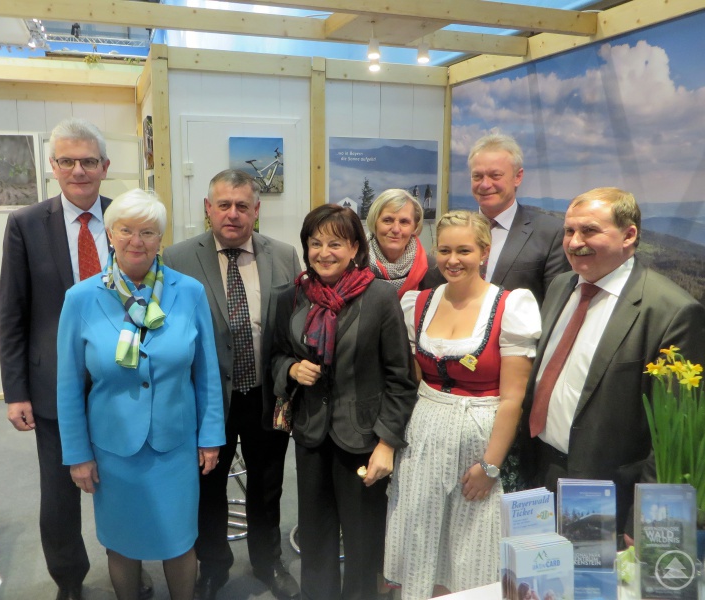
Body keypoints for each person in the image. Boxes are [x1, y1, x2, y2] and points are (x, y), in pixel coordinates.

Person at [0, 118, 157, 600]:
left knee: (126, 484)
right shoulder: (26, 224)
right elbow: (13, 310)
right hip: (53, 386)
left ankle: (131, 566)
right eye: (67, 161)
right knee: (60, 494)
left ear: (105, 166)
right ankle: (69, 580)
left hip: (118, 381)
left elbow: (150, 294)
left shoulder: (126, 220)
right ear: (53, 167)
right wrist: (16, 390)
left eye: (89, 161)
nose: (79, 170)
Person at [57, 189, 225, 600]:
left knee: (179, 540)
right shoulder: (80, 299)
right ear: (110, 235)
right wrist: (78, 455)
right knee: (123, 543)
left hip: (175, 443)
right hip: (114, 449)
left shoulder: (189, 292)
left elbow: (206, 373)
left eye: (148, 232)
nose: (137, 241)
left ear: (160, 239)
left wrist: (211, 437)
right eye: (126, 230)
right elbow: (67, 385)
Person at [519, 187, 705, 537]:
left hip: (608, 493)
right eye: (569, 231)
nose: (575, 242)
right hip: (542, 471)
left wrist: (646, 518)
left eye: (589, 230)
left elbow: (670, 432)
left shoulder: (671, 312)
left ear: (629, 234)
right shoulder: (562, 286)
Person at [385, 210, 540, 597]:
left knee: (472, 546)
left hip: (480, 437)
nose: (453, 260)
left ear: (484, 252)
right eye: (445, 250)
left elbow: (513, 399)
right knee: (422, 539)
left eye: (465, 250)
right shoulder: (418, 303)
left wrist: (491, 465)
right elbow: (412, 378)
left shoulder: (509, 306)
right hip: (423, 435)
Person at [163, 170, 301, 600]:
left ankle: (267, 561)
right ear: (208, 208)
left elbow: (292, 325)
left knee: (267, 484)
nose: (233, 214)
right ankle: (214, 565)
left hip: (265, 393)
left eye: (243, 205)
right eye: (223, 204)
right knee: (208, 486)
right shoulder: (177, 258)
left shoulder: (283, 255)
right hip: (206, 398)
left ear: (256, 211)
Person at [271, 204, 418, 600]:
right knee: (315, 537)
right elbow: (276, 355)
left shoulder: (379, 297)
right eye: (315, 243)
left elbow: (401, 379)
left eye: (335, 243)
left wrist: (387, 442)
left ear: (354, 247)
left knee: (362, 541)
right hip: (311, 435)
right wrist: (290, 369)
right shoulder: (291, 296)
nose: (324, 252)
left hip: (365, 438)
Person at [442, 132, 566, 307]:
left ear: (518, 177)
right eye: (477, 176)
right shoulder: (454, 231)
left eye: (495, 175)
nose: (485, 184)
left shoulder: (550, 234)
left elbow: (555, 307)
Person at [366, 188, 442, 297]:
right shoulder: (355, 265)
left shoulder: (433, 269)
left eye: (404, 222)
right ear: (374, 222)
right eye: (387, 220)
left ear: (415, 227)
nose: (396, 229)